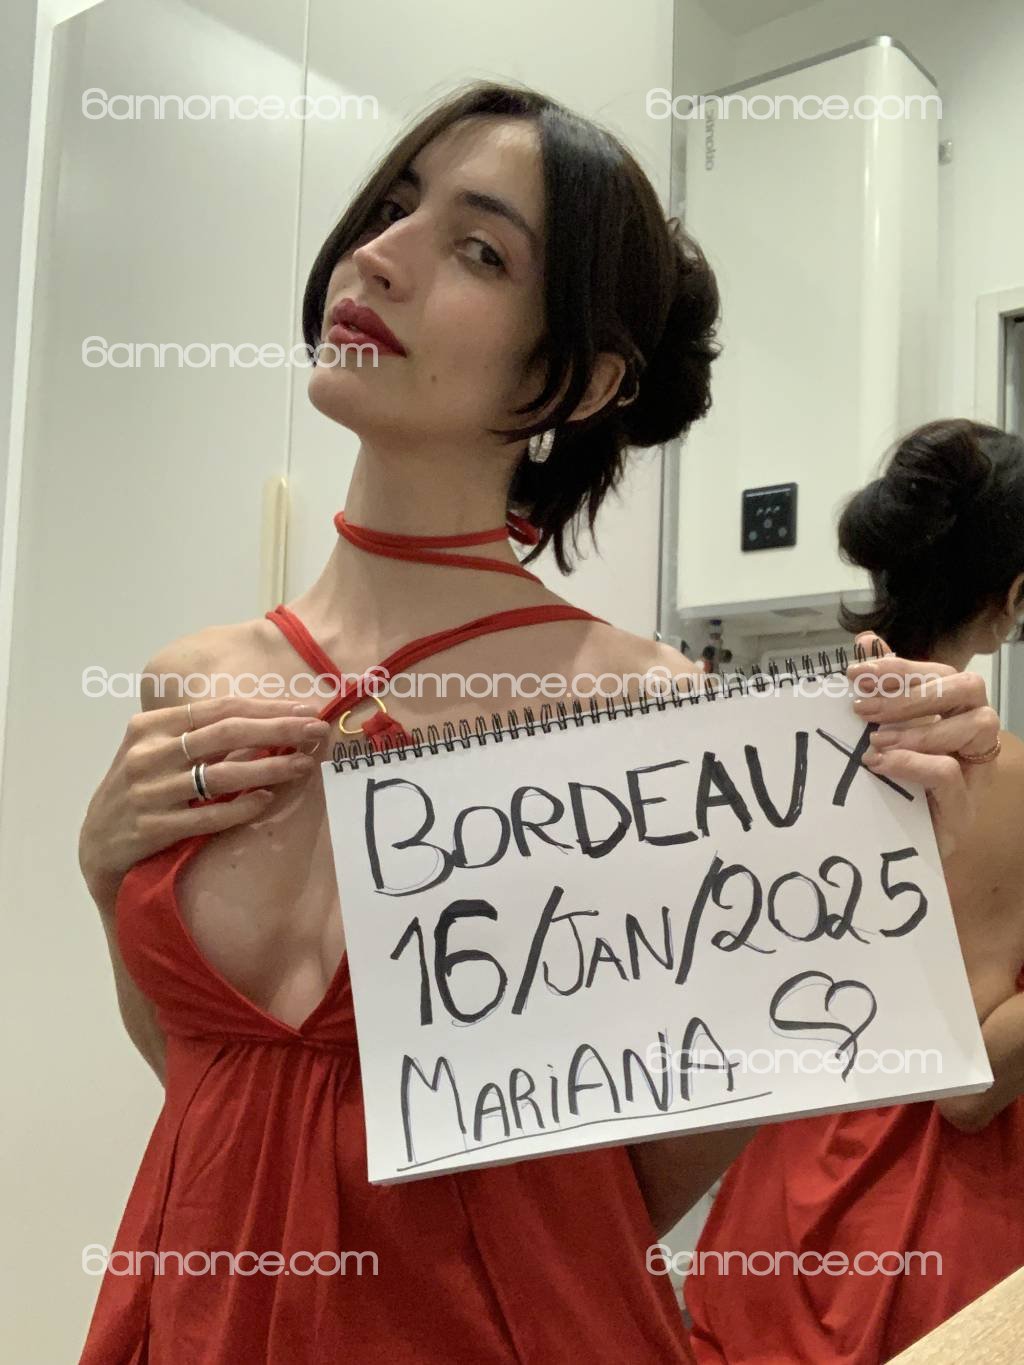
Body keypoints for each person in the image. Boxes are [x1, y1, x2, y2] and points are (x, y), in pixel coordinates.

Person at [74, 77, 1000, 1363]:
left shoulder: (645, 715)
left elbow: (628, 1189)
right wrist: (101, 873)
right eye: (391, 208)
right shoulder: (194, 680)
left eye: (479, 250)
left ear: (579, 377)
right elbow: (208, 1094)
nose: (380, 257)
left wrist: (860, 885)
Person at [685, 417, 1024, 1365]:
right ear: (1012, 598)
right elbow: (969, 1093)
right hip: (929, 1242)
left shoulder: (766, 755)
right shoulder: (1009, 783)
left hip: (770, 1209)